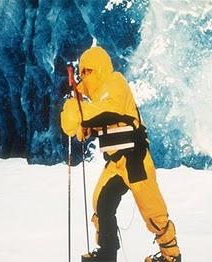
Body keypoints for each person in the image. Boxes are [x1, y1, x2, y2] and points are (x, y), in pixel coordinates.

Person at [60, 46, 181, 262]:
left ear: (99, 68)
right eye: (82, 73)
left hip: (135, 158)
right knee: (102, 203)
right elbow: (88, 125)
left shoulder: (115, 83)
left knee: (153, 211)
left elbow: (107, 111)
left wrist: (76, 109)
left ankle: (171, 256)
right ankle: (107, 253)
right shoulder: (96, 101)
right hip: (115, 162)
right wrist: (80, 118)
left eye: (88, 71)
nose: (84, 77)